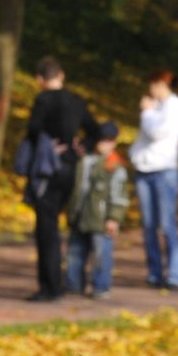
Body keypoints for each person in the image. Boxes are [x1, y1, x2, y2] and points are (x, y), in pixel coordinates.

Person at [22, 56, 98, 302]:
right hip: (70, 169)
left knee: (47, 229)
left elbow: (33, 130)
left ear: (39, 80)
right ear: (62, 75)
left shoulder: (43, 100)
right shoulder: (76, 100)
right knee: (67, 224)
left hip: (49, 169)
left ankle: (50, 285)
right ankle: (70, 279)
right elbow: (94, 130)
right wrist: (80, 147)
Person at [131, 68, 178, 290]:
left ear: (163, 85)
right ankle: (154, 272)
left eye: (154, 85)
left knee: (167, 223)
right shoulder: (155, 106)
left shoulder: (177, 107)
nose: (150, 90)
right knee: (149, 225)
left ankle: (175, 273)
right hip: (144, 169)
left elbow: (158, 132)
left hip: (164, 170)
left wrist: (147, 113)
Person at [66, 121, 129, 299]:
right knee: (74, 252)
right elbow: (77, 188)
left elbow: (119, 195)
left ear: (114, 142)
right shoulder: (85, 160)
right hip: (81, 214)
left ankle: (101, 286)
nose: (103, 144)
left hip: (101, 218)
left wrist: (114, 218)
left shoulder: (114, 165)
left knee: (102, 254)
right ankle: (73, 284)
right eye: (101, 140)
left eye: (108, 141)